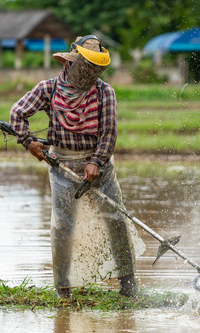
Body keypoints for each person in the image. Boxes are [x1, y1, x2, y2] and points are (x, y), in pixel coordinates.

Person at [9, 35, 145, 297]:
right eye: (86, 68)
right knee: (63, 226)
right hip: (62, 165)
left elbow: (108, 134)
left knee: (116, 219)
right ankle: (64, 290)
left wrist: (96, 162)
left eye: (96, 70)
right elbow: (18, 113)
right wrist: (29, 142)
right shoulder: (48, 89)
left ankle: (128, 285)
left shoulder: (105, 92)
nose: (90, 74)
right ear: (71, 62)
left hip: (99, 167)